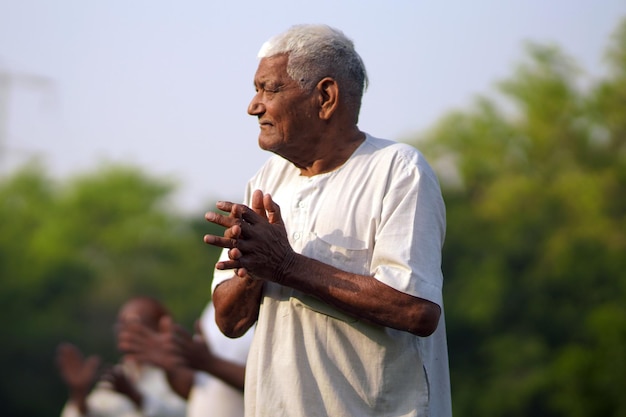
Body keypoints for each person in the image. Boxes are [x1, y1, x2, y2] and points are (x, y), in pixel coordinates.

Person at [203, 24, 452, 417]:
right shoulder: (266, 180)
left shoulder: (397, 170)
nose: (254, 105)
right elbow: (229, 322)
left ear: (325, 97)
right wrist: (253, 270)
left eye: (270, 89)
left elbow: (416, 310)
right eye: (256, 89)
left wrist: (286, 266)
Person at [116, 300, 253, 417]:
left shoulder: (272, 299)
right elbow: (195, 387)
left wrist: (210, 363)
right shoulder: (214, 307)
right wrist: (171, 366)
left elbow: (269, 382)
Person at [56, 296, 187, 417]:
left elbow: (186, 411)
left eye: (133, 324)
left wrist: (135, 397)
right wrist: (79, 395)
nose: (124, 333)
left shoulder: (181, 373)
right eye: (121, 326)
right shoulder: (119, 377)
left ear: (161, 328)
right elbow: (93, 412)